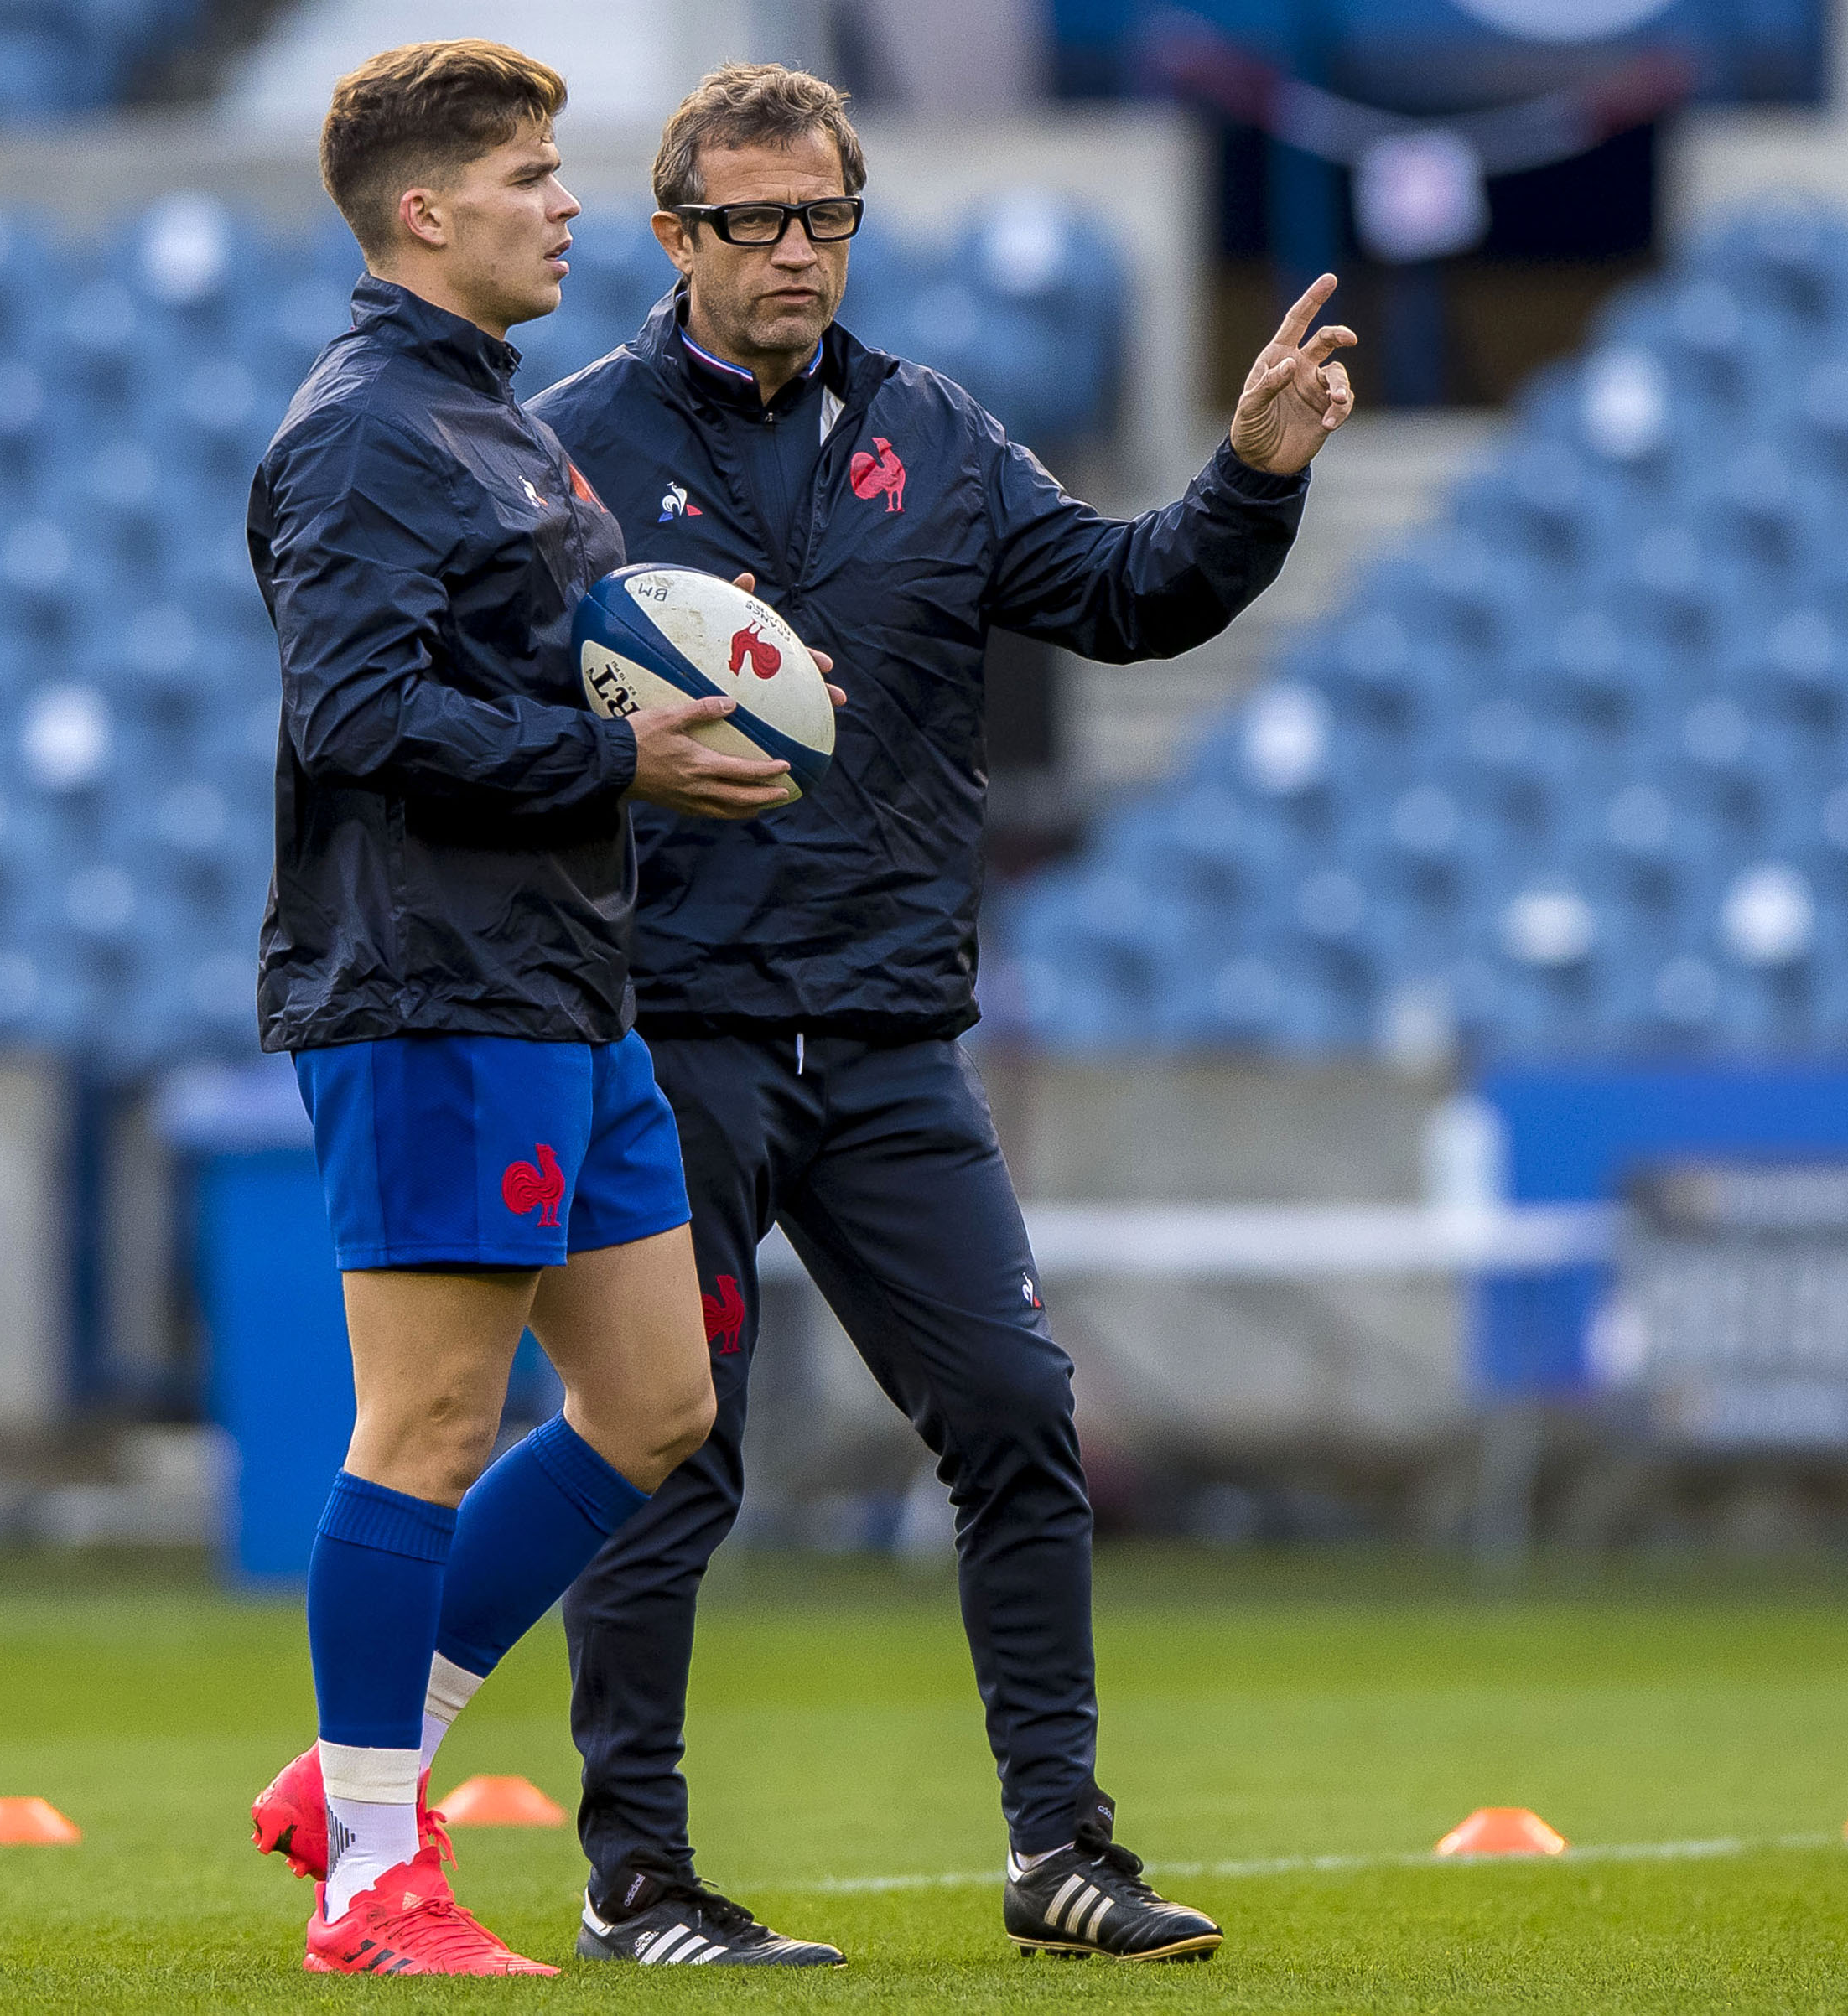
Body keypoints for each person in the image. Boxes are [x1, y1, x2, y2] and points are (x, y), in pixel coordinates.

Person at [529, 60, 1355, 1967]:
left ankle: (1058, 1846)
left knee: (1009, 1409)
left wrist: (1250, 478)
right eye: (757, 223)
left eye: (827, 218)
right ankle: (635, 1872)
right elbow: (489, 712)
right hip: (674, 1033)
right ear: (675, 237)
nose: (798, 252)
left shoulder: (936, 433)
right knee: (675, 1439)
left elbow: (1132, 598)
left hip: (890, 1037)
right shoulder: (568, 449)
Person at [236, 40, 845, 1974]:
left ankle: (355, 1764)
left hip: (568, 989)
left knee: (657, 1403)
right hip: (430, 988)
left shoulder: (493, 423)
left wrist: (728, 681)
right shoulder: (363, 431)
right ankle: (365, 1877)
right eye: (527, 173)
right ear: (427, 213)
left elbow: (561, 674)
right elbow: (353, 717)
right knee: (423, 1419)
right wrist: (625, 765)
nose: (567, 200)